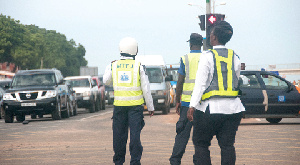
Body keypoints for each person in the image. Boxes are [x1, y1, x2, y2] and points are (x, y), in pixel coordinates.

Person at [187, 21, 245, 165]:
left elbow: (200, 84)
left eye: (211, 34)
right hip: (233, 109)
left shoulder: (207, 56)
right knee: (227, 146)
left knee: (201, 143)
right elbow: (236, 80)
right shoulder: (235, 57)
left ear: (213, 38)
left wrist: (192, 106)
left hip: (210, 110)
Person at [103, 37, 155, 165]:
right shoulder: (138, 66)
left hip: (119, 107)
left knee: (119, 136)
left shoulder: (114, 65)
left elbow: (105, 81)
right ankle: (135, 161)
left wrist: (109, 66)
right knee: (135, 136)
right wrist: (150, 107)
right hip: (135, 108)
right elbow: (146, 89)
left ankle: (119, 162)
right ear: (134, 50)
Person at [169, 33, 203, 165]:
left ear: (190, 44)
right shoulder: (207, 57)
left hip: (187, 103)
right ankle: (199, 161)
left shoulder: (185, 59)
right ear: (201, 44)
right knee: (200, 137)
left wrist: (177, 101)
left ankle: (175, 161)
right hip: (202, 104)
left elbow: (180, 82)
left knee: (182, 135)